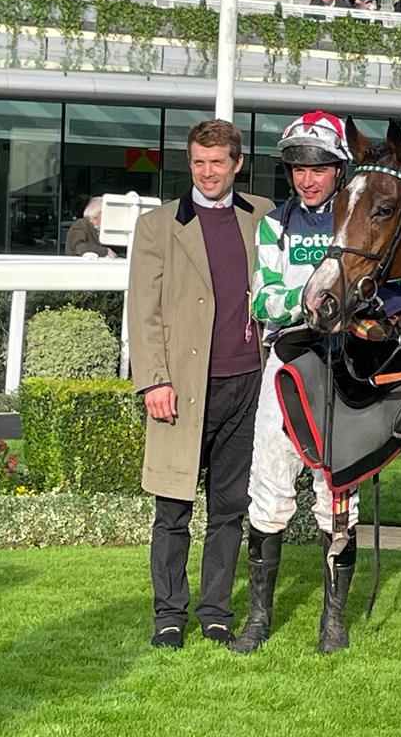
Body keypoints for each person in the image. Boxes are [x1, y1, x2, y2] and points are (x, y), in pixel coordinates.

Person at [127, 119, 273, 650]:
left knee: (229, 507)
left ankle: (215, 612)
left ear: (237, 164)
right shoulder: (157, 226)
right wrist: (154, 381)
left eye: (217, 162)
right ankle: (169, 614)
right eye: (198, 162)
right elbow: (143, 311)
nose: (207, 172)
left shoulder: (265, 217)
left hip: (248, 383)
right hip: (182, 387)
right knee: (172, 508)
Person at [231, 111, 357, 656]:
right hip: (285, 362)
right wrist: (314, 297)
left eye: (320, 167)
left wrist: (308, 297)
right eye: (299, 167)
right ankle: (259, 618)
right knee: (269, 486)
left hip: (345, 366)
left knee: (338, 496)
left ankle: (333, 621)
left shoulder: (354, 222)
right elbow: (262, 299)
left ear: (338, 169)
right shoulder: (273, 225)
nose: (308, 178)